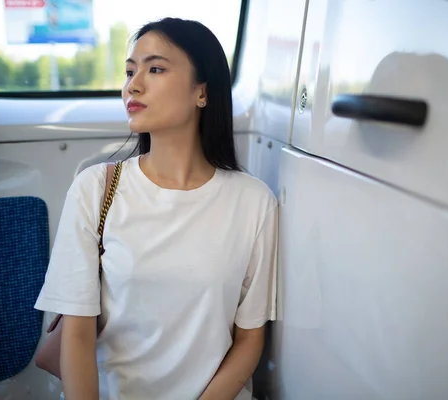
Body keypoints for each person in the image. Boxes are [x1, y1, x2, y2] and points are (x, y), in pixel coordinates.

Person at [34, 17, 278, 400]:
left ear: (202, 92)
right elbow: (77, 332)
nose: (134, 84)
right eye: (130, 71)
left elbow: (249, 338)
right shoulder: (95, 188)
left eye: (156, 68)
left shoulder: (254, 202)